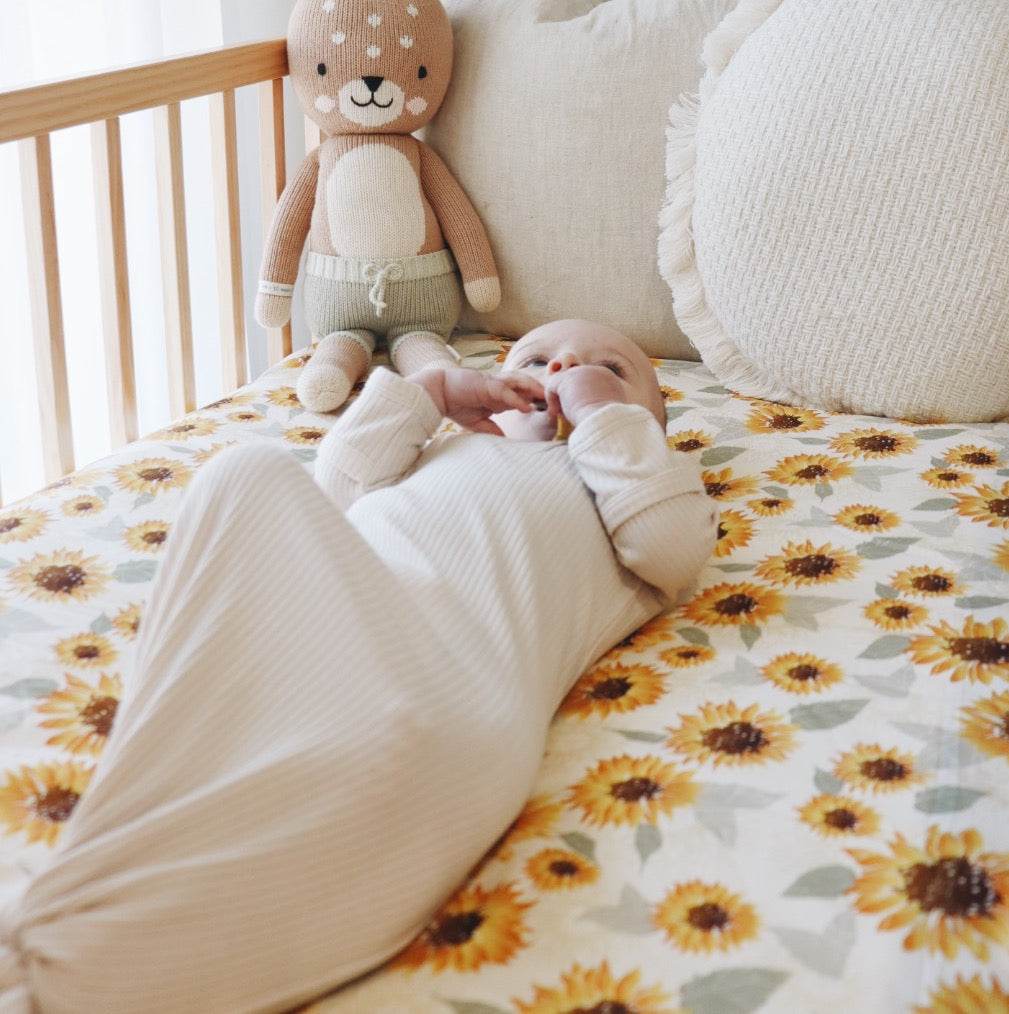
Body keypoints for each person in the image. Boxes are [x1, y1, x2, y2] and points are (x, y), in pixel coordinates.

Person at [1, 320, 717, 1014]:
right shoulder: (442, 450)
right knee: (246, 475)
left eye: (609, 368)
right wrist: (428, 394)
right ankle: (83, 909)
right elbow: (334, 489)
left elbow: (671, 547)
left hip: (451, 688)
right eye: (534, 360)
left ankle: (75, 966)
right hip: (326, 638)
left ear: (652, 425)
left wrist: (607, 424)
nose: (562, 371)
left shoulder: (634, 489)